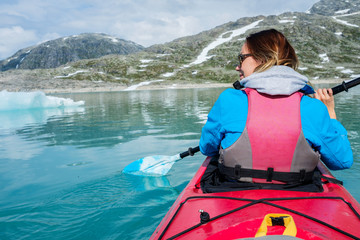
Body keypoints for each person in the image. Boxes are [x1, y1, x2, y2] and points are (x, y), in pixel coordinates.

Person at [199, 29, 353, 184]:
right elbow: (342, 161)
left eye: (241, 58)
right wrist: (330, 114)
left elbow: (207, 148)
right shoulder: (314, 107)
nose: (237, 67)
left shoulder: (228, 99)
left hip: (233, 193)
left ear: (262, 58)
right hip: (298, 198)